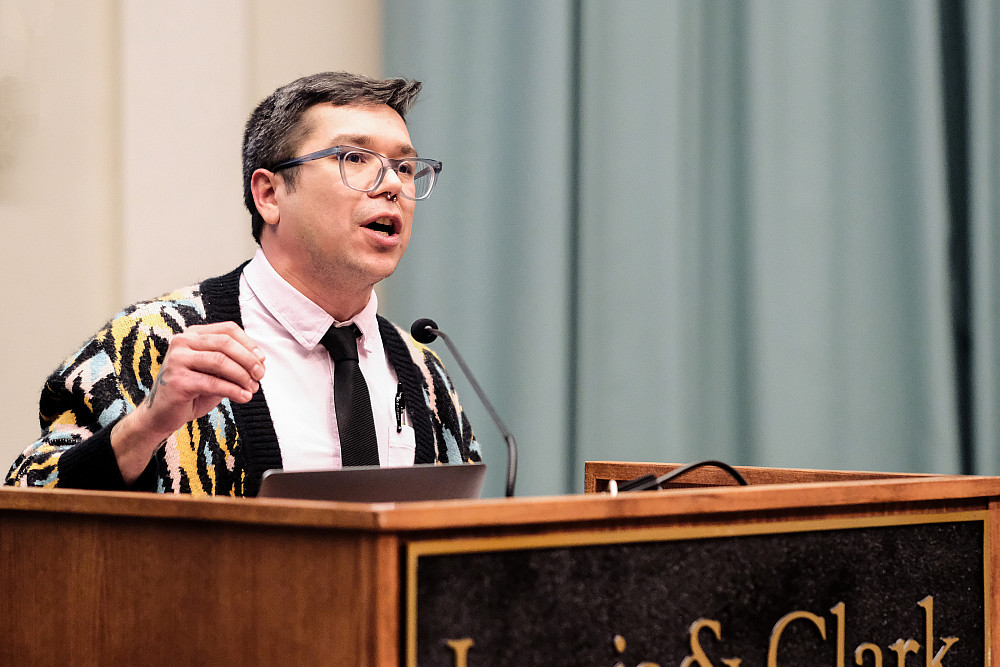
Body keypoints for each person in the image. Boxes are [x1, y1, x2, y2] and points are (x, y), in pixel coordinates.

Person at [5, 72, 479, 496]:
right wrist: (147, 426)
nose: (392, 184)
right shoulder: (155, 342)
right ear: (269, 194)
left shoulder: (425, 373)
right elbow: (29, 500)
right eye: (355, 158)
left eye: (404, 166)